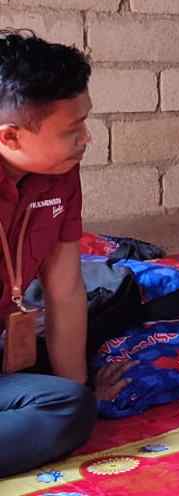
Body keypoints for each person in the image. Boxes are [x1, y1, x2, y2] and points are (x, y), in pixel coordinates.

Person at [0, 31, 96, 476]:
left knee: (71, 402)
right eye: (73, 130)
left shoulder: (59, 172)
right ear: (10, 137)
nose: (86, 139)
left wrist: (77, 387)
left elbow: (66, 289)